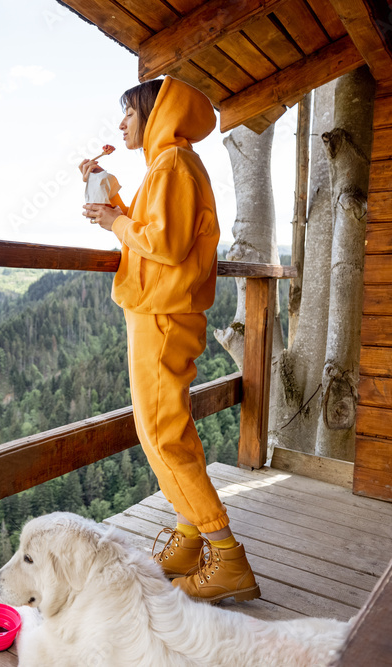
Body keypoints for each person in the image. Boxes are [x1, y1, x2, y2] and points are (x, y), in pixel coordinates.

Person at [79, 76, 259, 604]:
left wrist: (115, 222)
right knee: (163, 428)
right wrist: (109, 197)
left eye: (129, 113)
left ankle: (225, 556)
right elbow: (155, 229)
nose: (121, 124)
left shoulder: (173, 165)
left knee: (162, 433)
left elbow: (164, 243)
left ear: (155, 112)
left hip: (162, 314)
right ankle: (187, 538)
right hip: (160, 311)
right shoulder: (167, 166)